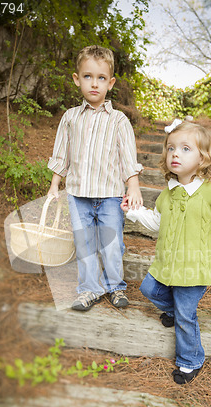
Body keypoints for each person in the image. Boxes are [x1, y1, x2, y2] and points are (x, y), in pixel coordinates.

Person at [121, 118, 211, 385]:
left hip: (196, 268)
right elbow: (156, 221)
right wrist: (135, 212)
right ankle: (173, 310)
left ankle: (190, 360)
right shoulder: (167, 194)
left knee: (187, 315)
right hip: (168, 263)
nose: (176, 153)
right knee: (149, 289)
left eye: (186, 149)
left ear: (203, 158)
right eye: (171, 148)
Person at [47, 45, 143, 311]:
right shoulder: (70, 118)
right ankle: (89, 289)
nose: (94, 83)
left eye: (101, 78)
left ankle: (115, 287)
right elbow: (61, 154)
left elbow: (127, 156)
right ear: (77, 79)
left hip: (110, 194)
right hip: (78, 195)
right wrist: (55, 184)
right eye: (88, 76)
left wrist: (132, 184)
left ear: (110, 83)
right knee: (85, 244)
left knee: (112, 244)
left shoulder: (119, 121)